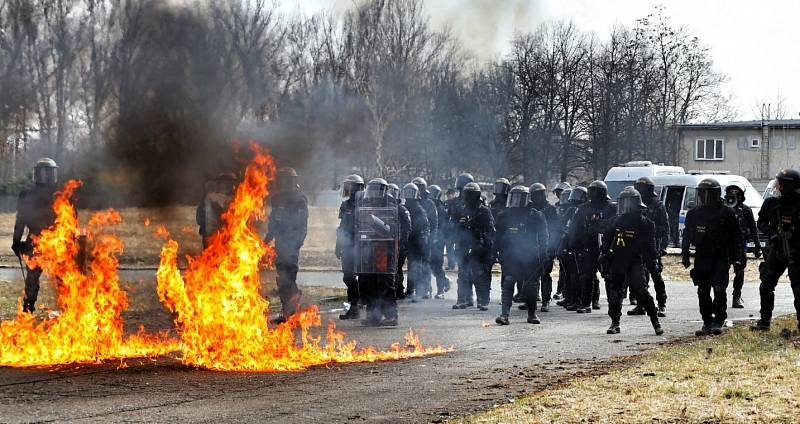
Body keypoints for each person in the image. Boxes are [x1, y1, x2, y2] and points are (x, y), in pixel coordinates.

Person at [681, 178, 743, 336]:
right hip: (702, 255)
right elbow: (687, 234)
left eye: (704, 193)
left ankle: (719, 321)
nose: (701, 197)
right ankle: (707, 321)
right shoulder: (694, 213)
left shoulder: (726, 212)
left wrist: (737, 258)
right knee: (703, 290)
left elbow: (737, 237)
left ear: (713, 194)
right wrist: (685, 253)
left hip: (721, 256)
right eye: (699, 193)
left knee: (719, 288)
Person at [600, 188, 664, 335]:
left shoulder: (646, 223)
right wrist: (603, 255)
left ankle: (655, 321)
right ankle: (615, 323)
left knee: (642, 291)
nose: (626, 207)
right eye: (624, 203)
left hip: (635, 260)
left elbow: (650, 246)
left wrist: (653, 261)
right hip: (618, 260)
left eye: (629, 203)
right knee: (615, 292)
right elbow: (607, 241)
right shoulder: (615, 221)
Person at [355, 178, 410, 326]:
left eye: (375, 190)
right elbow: (358, 227)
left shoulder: (392, 207)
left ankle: (392, 316)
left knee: (385, 283)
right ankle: (374, 315)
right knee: (370, 282)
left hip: (386, 249)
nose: (372, 194)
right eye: (370, 190)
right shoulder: (365, 205)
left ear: (383, 191)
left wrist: (373, 220)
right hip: (369, 247)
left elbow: (390, 229)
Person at [752, 169, 800, 332]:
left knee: (798, 288)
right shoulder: (772, 203)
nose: (778, 186)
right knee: (766, 285)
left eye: (781, 183)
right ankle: (764, 321)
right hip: (778, 249)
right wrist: (773, 234)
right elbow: (761, 223)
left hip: (796, 252)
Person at [495, 186, 548, 325]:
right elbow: (498, 236)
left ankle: (532, 314)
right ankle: (504, 315)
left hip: (530, 256)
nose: (516, 201)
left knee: (531, 286)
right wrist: (496, 252)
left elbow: (544, 236)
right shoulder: (504, 215)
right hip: (510, 255)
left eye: (520, 197)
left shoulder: (536, 215)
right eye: (514, 197)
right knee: (508, 283)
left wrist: (544, 255)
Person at [12, 158, 59, 313]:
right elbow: (21, 220)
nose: (45, 177)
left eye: (48, 173)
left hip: (56, 242)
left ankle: (68, 309)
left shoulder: (61, 194)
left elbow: (71, 219)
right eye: (43, 173)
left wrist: (17, 242)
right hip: (41, 242)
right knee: (33, 280)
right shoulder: (27, 195)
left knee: (61, 279)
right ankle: (27, 310)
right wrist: (16, 241)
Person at [266, 167, 309, 323]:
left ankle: (292, 310)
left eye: (286, 180)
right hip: (280, 243)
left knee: (288, 277)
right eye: (282, 179)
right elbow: (273, 221)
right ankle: (288, 312)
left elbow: (302, 225)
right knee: (282, 278)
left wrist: (296, 244)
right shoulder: (277, 199)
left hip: (291, 244)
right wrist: (266, 240)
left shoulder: (299, 199)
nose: (284, 183)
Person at [567, 181, 616, 313]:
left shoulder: (611, 208)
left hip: (606, 246)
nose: (592, 194)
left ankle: (613, 304)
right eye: (591, 191)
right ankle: (586, 303)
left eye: (595, 191)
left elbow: (616, 225)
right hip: (588, 246)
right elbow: (574, 227)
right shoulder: (583, 208)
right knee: (586, 275)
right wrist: (572, 242)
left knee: (608, 276)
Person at [627, 177, 670, 317]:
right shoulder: (635, 204)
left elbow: (665, 227)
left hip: (653, 245)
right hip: (638, 245)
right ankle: (641, 305)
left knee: (656, 275)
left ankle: (661, 304)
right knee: (640, 277)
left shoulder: (657, 205)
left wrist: (663, 247)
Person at [452, 181, 495, 310]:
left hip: (479, 247)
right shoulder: (462, 210)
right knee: (463, 274)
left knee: (480, 274)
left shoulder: (484, 211)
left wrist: (485, 245)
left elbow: (491, 230)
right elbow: (453, 228)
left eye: (471, 194)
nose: (468, 197)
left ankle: (483, 300)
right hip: (464, 246)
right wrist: (460, 226)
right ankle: (464, 299)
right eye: (467, 194)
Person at [724, 184, 761, 309]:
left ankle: (737, 296)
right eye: (731, 193)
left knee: (739, 272)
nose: (734, 195)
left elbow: (753, 229)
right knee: (722, 271)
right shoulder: (723, 209)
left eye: (736, 193)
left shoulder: (745, 210)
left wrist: (757, 246)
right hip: (725, 245)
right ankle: (720, 297)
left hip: (739, 245)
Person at [335, 174, 364, 320]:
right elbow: (341, 227)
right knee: (348, 276)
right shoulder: (345, 205)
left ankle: (359, 306)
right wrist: (338, 245)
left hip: (362, 246)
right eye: (348, 188)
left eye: (351, 188)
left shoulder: (366, 204)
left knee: (364, 277)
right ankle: (354, 305)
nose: (349, 191)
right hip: (347, 245)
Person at [529, 183, 559, 312]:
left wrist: (552, 247)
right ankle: (532, 298)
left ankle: (546, 301)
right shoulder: (529, 210)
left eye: (540, 194)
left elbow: (555, 229)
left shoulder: (550, 209)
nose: (538, 197)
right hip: (532, 246)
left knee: (545, 273)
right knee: (531, 274)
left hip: (547, 245)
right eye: (535, 194)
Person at [557, 187, 586, 310]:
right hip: (569, 244)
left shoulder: (585, 211)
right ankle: (569, 297)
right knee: (568, 274)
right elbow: (564, 224)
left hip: (581, 246)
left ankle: (579, 300)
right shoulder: (572, 211)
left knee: (578, 275)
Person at [401, 182, 431, 301]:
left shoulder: (420, 209)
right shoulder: (405, 207)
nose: (409, 195)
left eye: (411, 192)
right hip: (409, 241)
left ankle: (421, 290)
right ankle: (410, 290)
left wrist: (423, 241)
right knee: (412, 266)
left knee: (419, 266)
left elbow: (425, 227)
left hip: (418, 241)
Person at [196, 172, 238, 248]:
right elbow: (200, 214)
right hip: (211, 235)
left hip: (227, 236)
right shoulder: (211, 197)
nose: (226, 185)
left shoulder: (238, 199)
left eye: (229, 182)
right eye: (224, 182)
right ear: (220, 183)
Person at [427, 184, 451, 298]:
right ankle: (440, 283)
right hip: (429, 239)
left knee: (437, 264)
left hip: (438, 241)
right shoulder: (428, 205)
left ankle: (441, 289)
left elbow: (443, 227)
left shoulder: (441, 209)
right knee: (430, 265)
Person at [388, 183, 412, 299]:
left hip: (399, 244)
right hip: (388, 244)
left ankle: (399, 291)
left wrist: (402, 243)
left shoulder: (402, 210)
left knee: (397, 268)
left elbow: (407, 228)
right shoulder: (384, 209)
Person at [444, 188, 459, 270]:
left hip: (456, 229)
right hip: (448, 229)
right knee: (449, 247)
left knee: (457, 248)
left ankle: (457, 263)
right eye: (448, 194)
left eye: (450, 194)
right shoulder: (446, 203)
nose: (449, 196)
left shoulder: (456, 202)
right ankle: (451, 264)